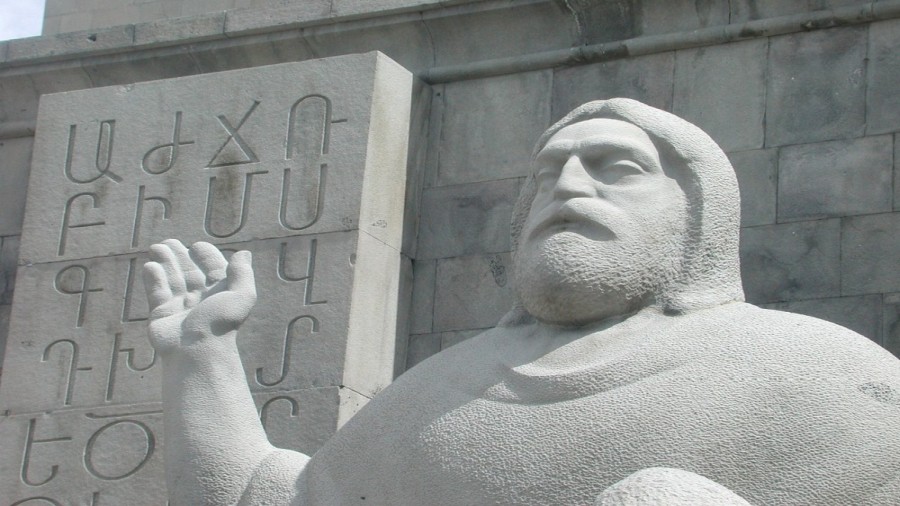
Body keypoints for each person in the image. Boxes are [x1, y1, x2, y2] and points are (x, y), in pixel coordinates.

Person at [145, 99, 900, 505]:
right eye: (546, 174)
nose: (567, 186)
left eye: (616, 167)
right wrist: (200, 359)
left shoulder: (812, 371)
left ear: (698, 213)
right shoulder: (439, 394)